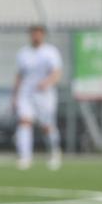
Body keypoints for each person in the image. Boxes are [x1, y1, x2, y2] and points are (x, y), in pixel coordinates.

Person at [12, 25, 62, 170]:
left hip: (44, 94)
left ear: (43, 35)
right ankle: (25, 157)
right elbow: (19, 75)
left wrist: (47, 82)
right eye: (33, 34)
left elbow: (57, 72)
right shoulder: (23, 53)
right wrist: (14, 95)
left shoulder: (50, 52)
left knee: (47, 126)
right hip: (26, 93)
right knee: (24, 122)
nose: (35, 36)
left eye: (38, 34)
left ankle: (54, 152)